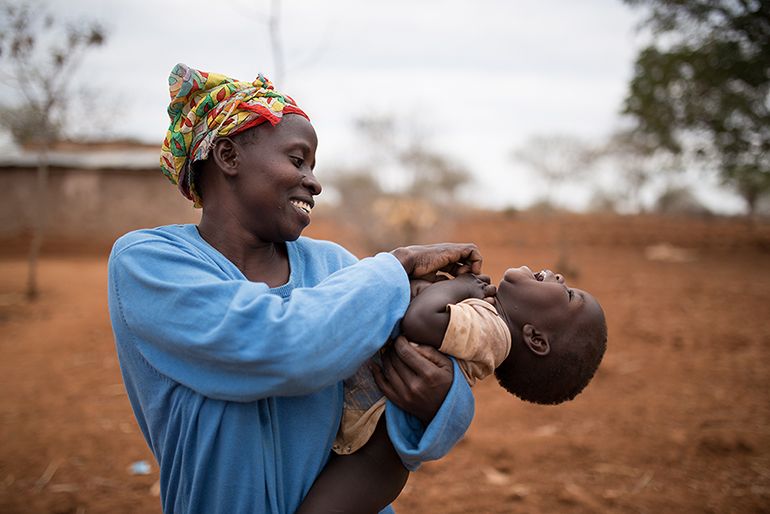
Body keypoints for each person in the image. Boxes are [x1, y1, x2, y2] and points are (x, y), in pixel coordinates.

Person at [107, 63, 481, 514]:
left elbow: (418, 372)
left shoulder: (334, 266)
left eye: (314, 166)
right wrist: (397, 265)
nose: (315, 181)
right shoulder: (150, 262)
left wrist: (441, 398)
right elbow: (274, 346)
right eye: (297, 159)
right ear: (228, 157)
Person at [297, 266, 607, 513]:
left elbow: (420, 319)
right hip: (377, 451)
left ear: (536, 339)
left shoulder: (492, 329)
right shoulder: (488, 322)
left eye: (568, 295)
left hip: (377, 449)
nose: (560, 277)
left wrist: (462, 285)